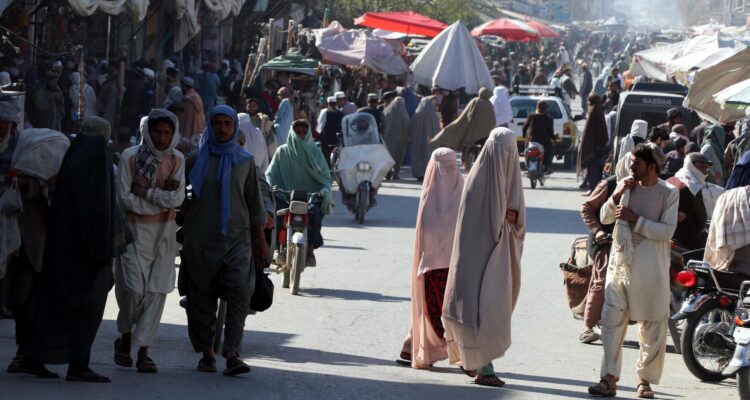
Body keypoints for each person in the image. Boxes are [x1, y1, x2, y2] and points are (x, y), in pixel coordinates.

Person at [34, 117, 130, 382]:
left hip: (63, 251)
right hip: (90, 255)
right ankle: (78, 365)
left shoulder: (72, 160)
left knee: (56, 306)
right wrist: (102, 251)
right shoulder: (97, 164)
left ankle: (35, 357)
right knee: (88, 310)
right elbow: (99, 213)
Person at [180, 105, 267, 376]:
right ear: (210, 126)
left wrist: (261, 240)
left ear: (234, 128)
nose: (222, 129)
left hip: (237, 239)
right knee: (200, 299)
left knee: (241, 291)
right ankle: (207, 353)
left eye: (227, 124)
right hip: (201, 240)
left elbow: (255, 203)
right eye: (217, 124)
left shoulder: (244, 161)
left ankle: (232, 353)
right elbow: (182, 198)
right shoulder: (194, 160)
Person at [587, 143, 678, 399]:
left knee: (651, 329)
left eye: (637, 164)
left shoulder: (668, 193)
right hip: (620, 267)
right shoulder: (626, 186)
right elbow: (606, 217)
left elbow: (666, 231)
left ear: (652, 167)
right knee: (611, 323)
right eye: (631, 162)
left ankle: (644, 381)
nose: (631, 167)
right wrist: (617, 194)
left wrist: (633, 219)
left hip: (651, 272)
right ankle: (608, 379)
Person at [442, 127, 525, 388]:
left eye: (512, 151)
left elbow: (518, 216)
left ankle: (474, 361)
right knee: (478, 307)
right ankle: (483, 366)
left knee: (494, 306)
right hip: (477, 255)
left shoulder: (509, 177)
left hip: (501, 254)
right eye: (505, 151)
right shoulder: (477, 180)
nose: (508, 156)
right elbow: (475, 223)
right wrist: (502, 219)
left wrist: (512, 219)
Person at [113, 109, 184, 374]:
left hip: (164, 235)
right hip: (133, 234)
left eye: (167, 133)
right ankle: (126, 335)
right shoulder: (130, 157)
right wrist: (159, 200)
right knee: (132, 290)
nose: (162, 137)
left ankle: (143, 351)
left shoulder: (177, 160)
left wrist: (147, 192)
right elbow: (124, 198)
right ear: (147, 132)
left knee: (156, 292)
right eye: (157, 132)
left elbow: (176, 200)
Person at [1, 105, 70, 378]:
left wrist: (26, 184)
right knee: (20, 298)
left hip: (32, 241)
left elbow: (44, 189)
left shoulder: (30, 154)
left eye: (4, 126)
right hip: (12, 240)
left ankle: (27, 354)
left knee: (31, 299)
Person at [398, 148, 464, 367]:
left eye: (450, 166)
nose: (447, 172)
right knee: (433, 312)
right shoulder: (453, 194)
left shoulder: (454, 193)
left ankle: (418, 347)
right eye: (443, 167)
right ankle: (424, 348)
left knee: (445, 314)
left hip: (447, 267)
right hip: (438, 268)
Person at [266, 119, 332, 266]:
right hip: (285, 195)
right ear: (292, 132)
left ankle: (310, 249)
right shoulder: (282, 152)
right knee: (276, 214)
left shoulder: (315, 153)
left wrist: (324, 190)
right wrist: (270, 185)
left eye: (304, 132)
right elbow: (270, 174)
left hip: (310, 197)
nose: (301, 135)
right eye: (298, 132)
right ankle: (278, 248)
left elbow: (326, 177)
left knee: (315, 215)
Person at [578, 173, 618, 345]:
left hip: (634, 243)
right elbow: (586, 208)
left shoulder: (648, 185)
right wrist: (598, 231)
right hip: (605, 242)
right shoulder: (609, 184)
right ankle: (587, 328)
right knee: (601, 282)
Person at [666, 153, 715, 250]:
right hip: (688, 241)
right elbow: (702, 218)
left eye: (706, 168)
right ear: (691, 166)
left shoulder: (669, 180)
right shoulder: (693, 187)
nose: (705, 172)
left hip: (668, 236)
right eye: (701, 167)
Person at [578, 94, 609, 192]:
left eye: (589, 102)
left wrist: (595, 146)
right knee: (595, 170)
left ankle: (593, 189)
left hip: (594, 150)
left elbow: (594, 133)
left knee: (593, 169)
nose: (588, 104)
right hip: (598, 149)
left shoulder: (594, 113)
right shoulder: (599, 112)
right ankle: (594, 189)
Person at [409, 93, 441, 180]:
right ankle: (429, 172)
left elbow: (411, 127)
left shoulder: (416, 114)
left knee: (418, 154)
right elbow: (438, 129)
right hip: (429, 141)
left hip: (417, 141)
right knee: (428, 154)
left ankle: (419, 173)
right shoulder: (433, 116)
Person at [381, 93, 411, 180]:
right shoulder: (405, 114)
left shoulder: (387, 111)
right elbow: (408, 125)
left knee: (389, 156)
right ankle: (394, 173)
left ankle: (389, 172)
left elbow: (384, 125)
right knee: (398, 157)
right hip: (400, 141)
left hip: (390, 140)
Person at [522, 100, 555, 173]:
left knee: (526, 151)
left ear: (537, 107)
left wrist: (525, 136)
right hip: (544, 141)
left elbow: (524, 128)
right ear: (546, 109)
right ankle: (547, 167)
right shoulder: (549, 118)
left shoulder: (531, 116)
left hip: (531, 140)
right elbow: (551, 133)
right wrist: (554, 138)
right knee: (550, 151)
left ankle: (527, 165)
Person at [317, 96, 344, 168]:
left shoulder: (324, 112)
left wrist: (319, 134)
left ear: (328, 103)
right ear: (335, 104)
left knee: (325, 154)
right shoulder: (340, 113)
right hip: (337, 138)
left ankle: (327, 167)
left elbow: (320, 126)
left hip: (327, 138)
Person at [178, 77, 205, 143]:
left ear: (184, 86)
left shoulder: (189, 100)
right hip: (199, 128)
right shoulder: (196, 96)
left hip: (192, 131)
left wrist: (185, 135)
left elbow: (188, 119)